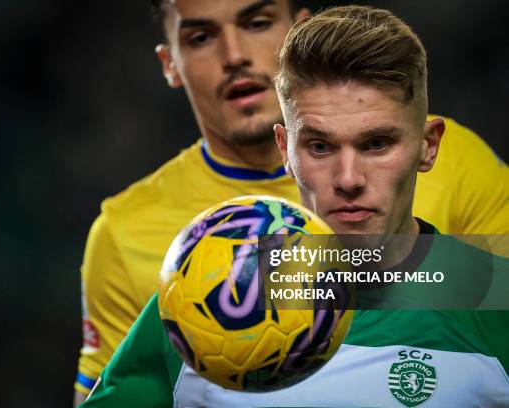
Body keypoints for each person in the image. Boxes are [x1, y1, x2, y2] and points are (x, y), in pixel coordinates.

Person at [73, 0, 509, 404]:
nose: (348, 179)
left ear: (428, 146)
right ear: (286, 150)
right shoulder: (201, 298)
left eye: (377, 144)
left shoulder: (496, 296)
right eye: (319, 147)